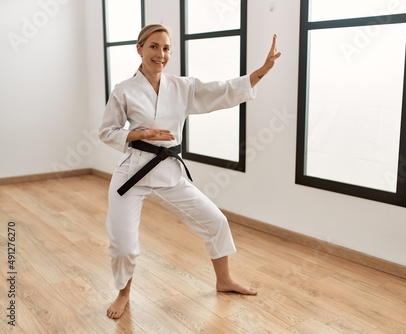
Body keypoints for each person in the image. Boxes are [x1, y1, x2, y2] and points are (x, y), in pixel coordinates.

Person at [99, 24, 281, 319]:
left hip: (169, 171)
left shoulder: (182, 86)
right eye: (154, 46)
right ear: (140, 49)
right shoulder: (124, 89)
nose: (161, 54)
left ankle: (224, 280)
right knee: (123, 245)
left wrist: (262, 70)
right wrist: (137, 135)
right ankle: (124, 293)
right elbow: (107, 131)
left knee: (216, 221)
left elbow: (222, 91)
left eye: (166, 48)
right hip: (132, 174)